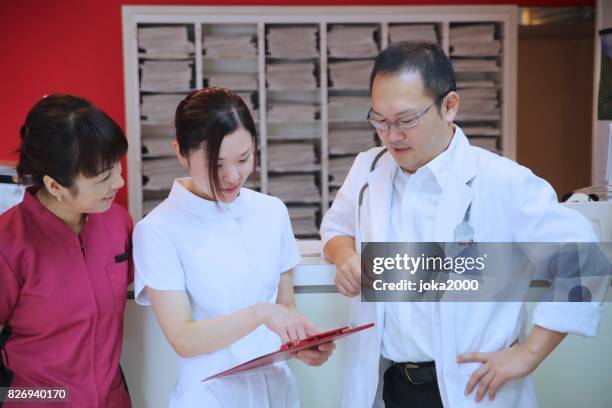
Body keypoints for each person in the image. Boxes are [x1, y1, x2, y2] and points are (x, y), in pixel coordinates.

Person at [320, 42, 601, 408]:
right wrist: (345, 258)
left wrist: (529, 354)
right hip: (389, 385)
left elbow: (584, 259)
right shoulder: (370, 168)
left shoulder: (502, 181)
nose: (391, 135)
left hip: (470, 390)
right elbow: (335, 228)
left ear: (449, 106)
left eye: (405, 120)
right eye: (380, 121)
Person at [132, 87, 334, 407]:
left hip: (276, 390)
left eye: (244, 158)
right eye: (216, 163)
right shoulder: (157, 230)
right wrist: (261, 314)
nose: (232, 175)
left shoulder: (271, 212)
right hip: (209, 396)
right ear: (181, 153)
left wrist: (301, 342)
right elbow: (184, 339)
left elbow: (286, 305)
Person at [0, 94, 133, 407]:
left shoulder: (117, 222)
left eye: (117, 167)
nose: (120, 181)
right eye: (104, 177)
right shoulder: (9, 244)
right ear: (55, 186)